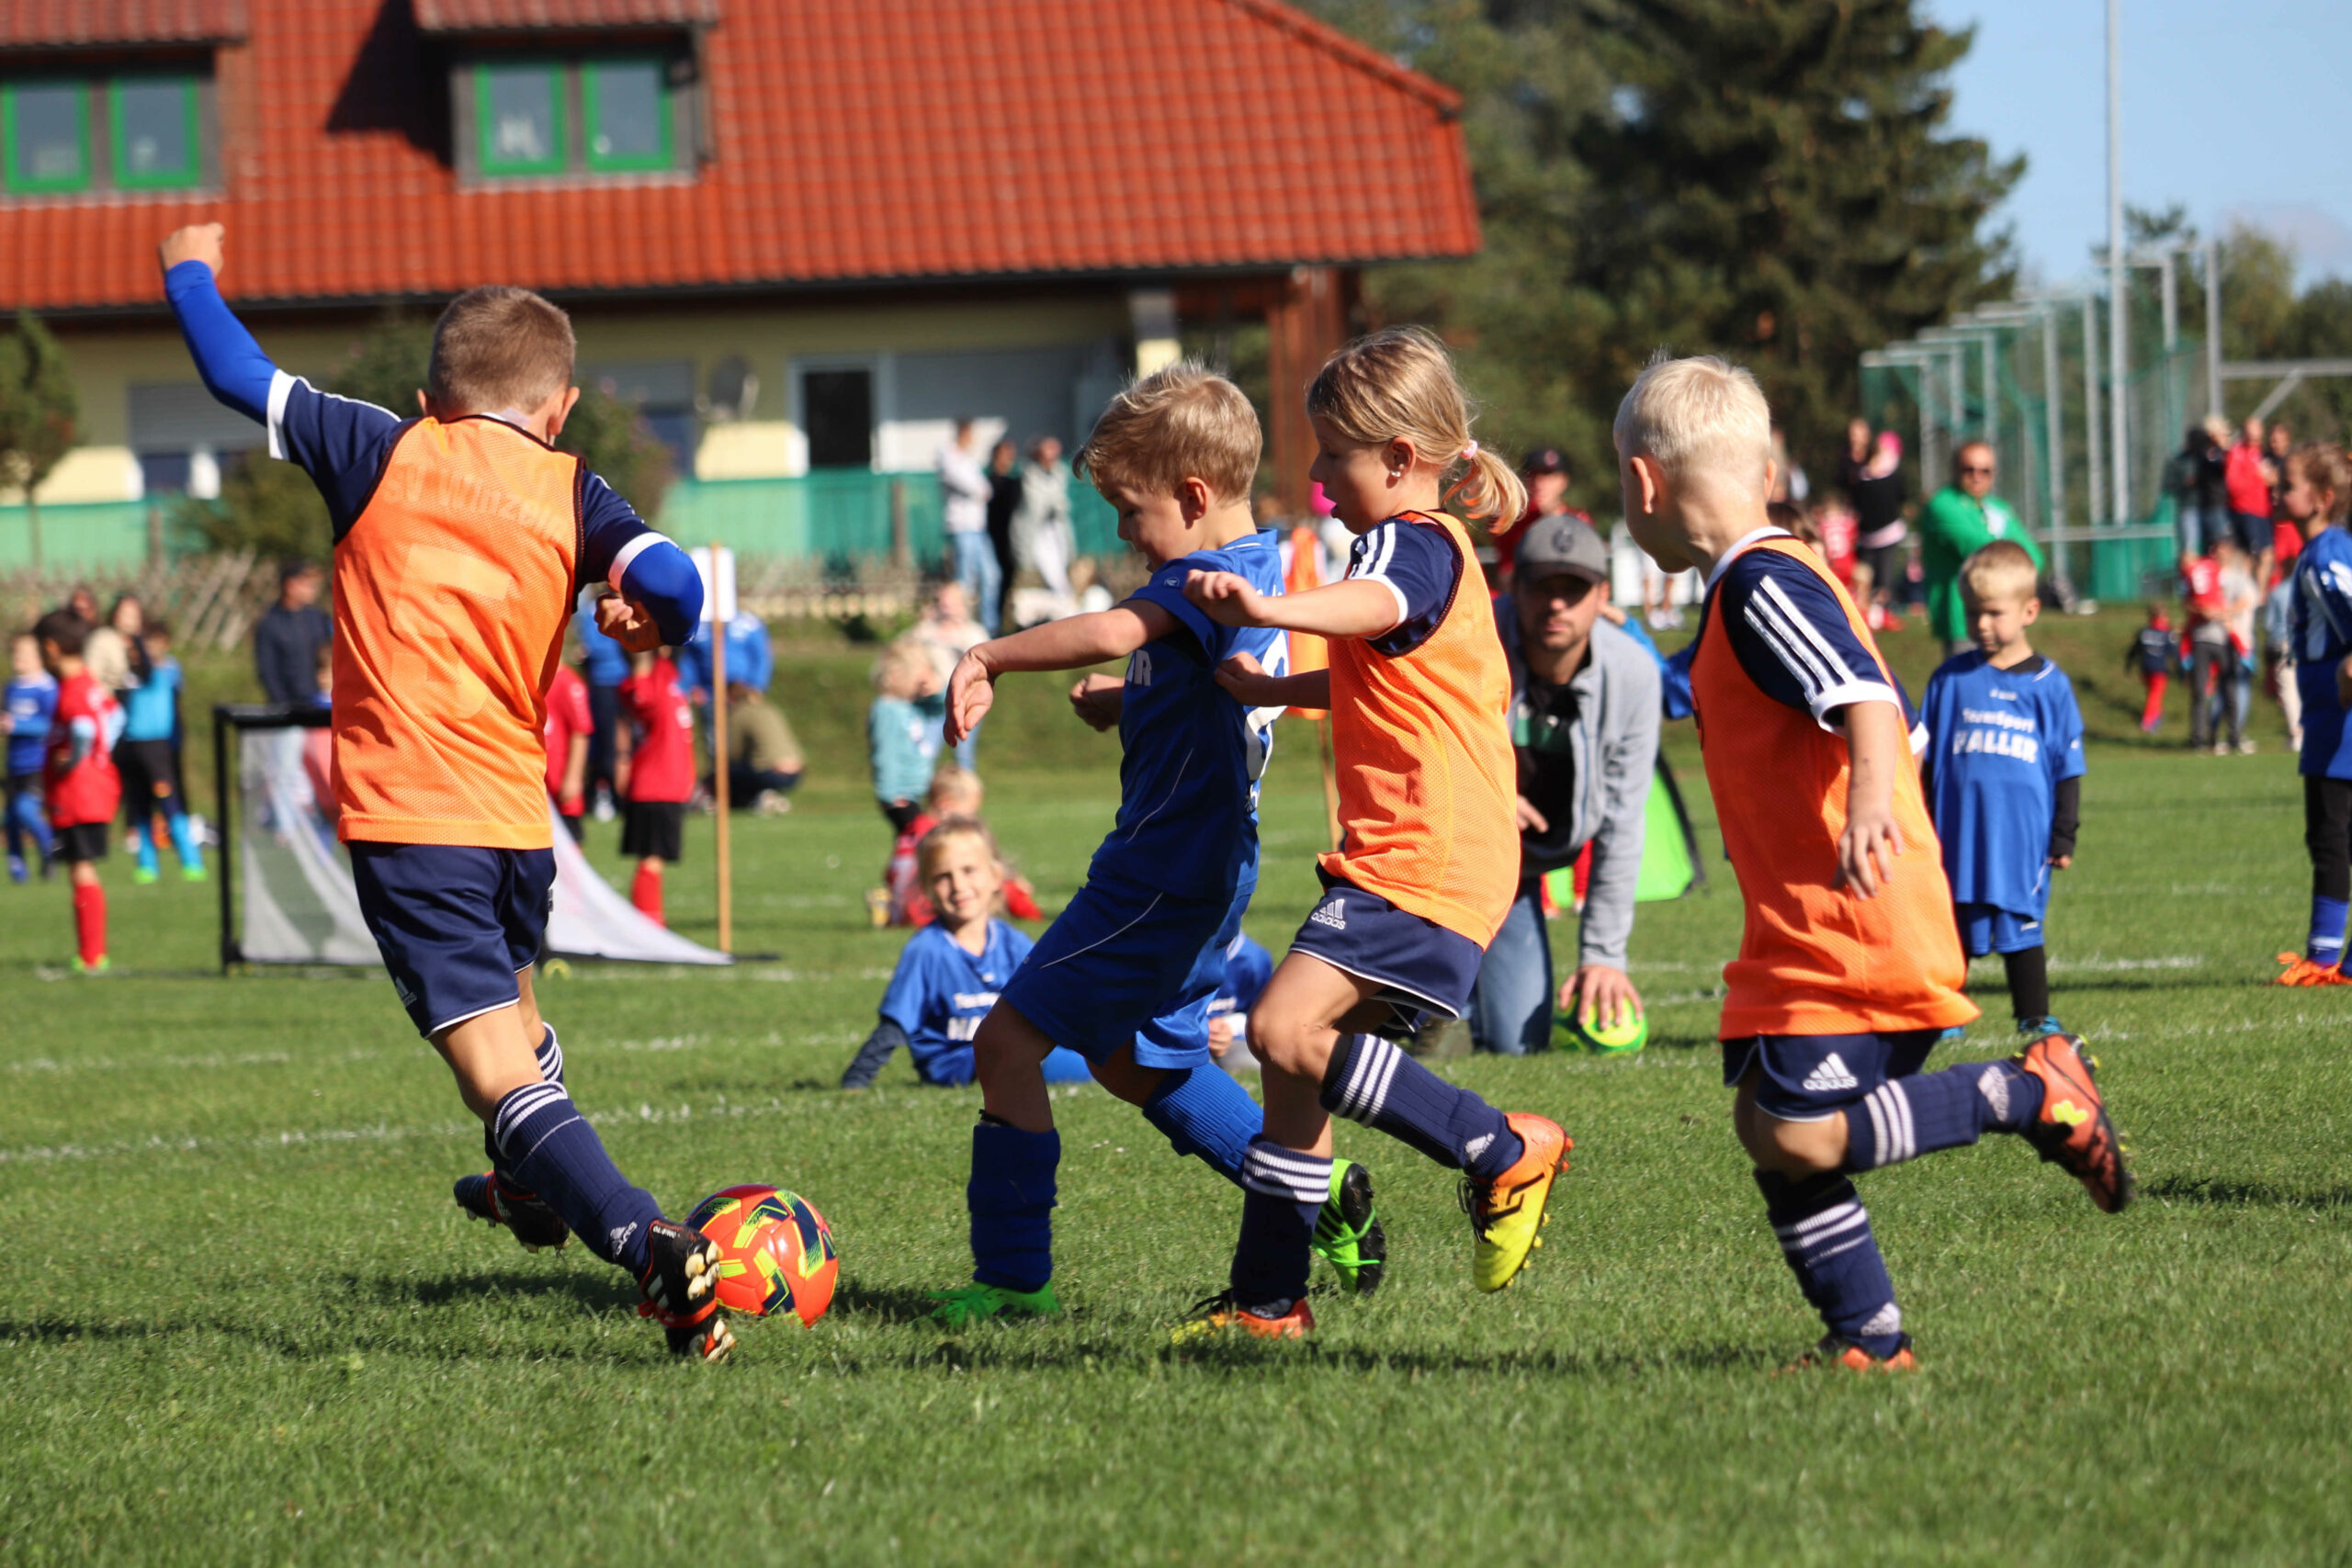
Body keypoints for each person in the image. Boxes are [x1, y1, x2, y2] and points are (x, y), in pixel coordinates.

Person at [157, 222, 735, 1359]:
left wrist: (186, 266)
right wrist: (644, 618)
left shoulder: (378, 445)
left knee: (495, 1072)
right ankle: (525, 1191)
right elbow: (674, 580)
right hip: (519, 824)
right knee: (521, 1024)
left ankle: (648, 1243)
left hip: (412, 819)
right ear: (560, 408)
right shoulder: (573, 487)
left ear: (432, 398)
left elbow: (231, 371)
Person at [1615, 355, 2129, 1371]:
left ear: (1644, 484)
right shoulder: (1757, 586)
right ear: (1766, 472)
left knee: (1801, 1134)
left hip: (1855, 920)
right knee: (1766, 1125)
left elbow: (1862, 694)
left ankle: (2031, 1094)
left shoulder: (1761, 583)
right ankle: (1867, 1338)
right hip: (1804, 928)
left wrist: (1865, 809)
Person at [929, 362, 1386, 1328]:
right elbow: (1210, 687)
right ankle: (1316, 1191)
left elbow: (1113, 627)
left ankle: (1013, 1281)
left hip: (1158, 873)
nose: (1125, 536)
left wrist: (988, 653)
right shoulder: (1254, 571)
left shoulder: (1200, 582)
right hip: (1200, 870)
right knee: (1137, 1061)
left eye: (1131, 513)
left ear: (1192, 495)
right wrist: (1130, 699)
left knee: (1006, 1043)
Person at [1179, 327, 1569, 1337]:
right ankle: (1269, 1303)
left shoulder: (1411, 542)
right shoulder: (1432, 552)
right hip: (1425, 855)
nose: (1316, 477)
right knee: (1293, 1076)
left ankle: (1500, 1149)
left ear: (1398, 458)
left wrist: (1270, 607)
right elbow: (1383, 671)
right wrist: (1275, 687)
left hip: (1421, 856)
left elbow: (1374, 602)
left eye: (1331, 454)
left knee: (1281, 1031)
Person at [1466, 513, 1658, 1055]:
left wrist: (1603, 956)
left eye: (1572, 590)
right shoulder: (1467, 645)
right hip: (1457, 856)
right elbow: (1410, 751)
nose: (1556, 605)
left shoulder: (1634, 674)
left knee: (1517, 1044)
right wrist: (1488, 796)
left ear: (1602, 596)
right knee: (1417, 1021)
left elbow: (1621, 824)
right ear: (1512, 586)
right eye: (1541, 587)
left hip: (1528, 869)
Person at [1921, 541, 2086, 1039]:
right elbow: (1922, 759)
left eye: (1994, 613)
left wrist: (2063, 834)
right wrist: (1919, 822)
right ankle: (1948, 1011)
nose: (1981, 624)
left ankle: (2033, 1013)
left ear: (2029, 611)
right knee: (1953, 917)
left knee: (2021, 917)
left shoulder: (2050, 685)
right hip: (1957, 830)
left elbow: (2067, 765)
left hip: (2022, 835)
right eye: (1972, 613)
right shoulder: (1949, 680)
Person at [838, 818, 1091, 1089]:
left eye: (969, 870)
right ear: (926, 888)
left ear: (996, 876)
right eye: (942, 877)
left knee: (1089, 1055)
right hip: (954, 1063)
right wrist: (857, 1079)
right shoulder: (927, 949)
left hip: (1007, 1050)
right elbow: (896, 1021)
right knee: (1039, 1058)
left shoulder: (1012, 942)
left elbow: (1052, 999)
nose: (958, 886)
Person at [2273, 444, 2352, 986]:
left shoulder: (2325, 556)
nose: (2277, 492)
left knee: (2329, 835)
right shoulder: (2327, 548)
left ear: (2321, 498)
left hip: (2338, 720)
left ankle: (2322, 961)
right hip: (2329, 714)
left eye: (2288, 485)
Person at [34, 610, 120, 972]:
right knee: (80, 869)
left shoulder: (73, 689)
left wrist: (74, 759)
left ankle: (91, 955)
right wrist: (102, 753)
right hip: (91, 792)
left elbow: (83, 727)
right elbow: (115, 716)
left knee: (81, 870)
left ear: (51, 648)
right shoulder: (89, 684)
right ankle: (90, 952)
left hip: (79, 795)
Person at [1920, 441, 2042, 658]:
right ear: (1955, 469)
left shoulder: (1998, 508)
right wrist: (2011, 553)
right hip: (1964, 619)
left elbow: (2033, 557)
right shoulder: (1941, 505)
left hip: (2006, 619)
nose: (1977, 476)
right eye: (1969, 469)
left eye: (1985, 471)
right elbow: (1979, 550)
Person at [116, 617, 206, 882]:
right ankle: (147, 865)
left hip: (157, 749)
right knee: (140, 807)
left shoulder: (165, 670)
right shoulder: (129, 677)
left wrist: (135, 637)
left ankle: (191, 860)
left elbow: (149, 668)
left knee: (169, 803)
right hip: (133, 747)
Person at [616, 646, 694, 927]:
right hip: (656, 786)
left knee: (654, 859)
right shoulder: (643, 686)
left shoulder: (665, 677)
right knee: (651, 859)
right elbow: (641, 694)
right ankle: (648, 924)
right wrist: (641, 654)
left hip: (668, 786)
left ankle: (648, 921)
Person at [868, 637, 946, 834]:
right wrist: (890, 793)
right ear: (897, 676)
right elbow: (885, 753)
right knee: (917, 842)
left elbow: (941, 707)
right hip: (900, 796)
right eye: (917, 680)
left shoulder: (912, 706)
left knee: (919, 843)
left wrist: (935, 689)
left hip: (917, 793)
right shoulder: (887, 709)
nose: (920, 686)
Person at [1839, 423, 1907, 626]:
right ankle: (1867, 612)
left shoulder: (1889, 477)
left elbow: (1900, 497)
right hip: (1867, 536)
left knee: (1885, 578)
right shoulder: (1857, 476)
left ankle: (1885, 615)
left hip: (1888, 533)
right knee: (1865, 577)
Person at [6, 629, 59, 882]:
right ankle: (18, 871)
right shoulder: (11, 688)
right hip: (14, 764)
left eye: (24, 653)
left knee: (25, 810)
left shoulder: (47, 688)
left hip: (37, 763)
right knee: (11, 819)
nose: (18, 657)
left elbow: (51, 725)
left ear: (39, 657)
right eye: (15, 652)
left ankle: (51, 848)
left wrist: (17, 725)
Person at [939, 419, 1000, 636]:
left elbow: (985, 488)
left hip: (978, 527)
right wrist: (980, 490)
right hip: (961, 527)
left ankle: (989, 629)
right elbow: (972, 486)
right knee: (965, 581)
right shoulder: (948, 456)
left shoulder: (968, 459)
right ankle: (961, 626)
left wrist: (981, 490)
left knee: (991, 576)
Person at [574, 589, 630, 821]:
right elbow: (594, 645)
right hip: (602, 684)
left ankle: (625, 794)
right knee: (604, 741)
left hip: (625, 682)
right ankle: (604, 792)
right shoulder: (590, 611)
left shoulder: (626, 606)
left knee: (626, 743)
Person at [253, 559, 332, 706]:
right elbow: (268, 671)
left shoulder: (318, 618)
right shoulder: (270, 624)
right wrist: (282, 705)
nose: (313, 590)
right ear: (291, 585)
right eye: (308, 585)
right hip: (288, 707)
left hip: (320, 704)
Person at [718, 682, 803, 816]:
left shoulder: (739, 713)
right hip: (796, 772)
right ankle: (770, 797)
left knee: (729, 772)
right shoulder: (770, 708)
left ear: (730, 697)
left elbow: (733, 753)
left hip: (770, 772)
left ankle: (755, 800)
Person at [1014, 434, 1077, 614]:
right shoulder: (1029, 475)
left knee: (1061, 567)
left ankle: (1064, 606)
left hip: (1055, 528)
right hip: (1038, 532)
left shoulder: (1060, 473)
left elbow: (1060, 502)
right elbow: (1035, 506)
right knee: (1049, 570)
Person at [2181, 541, 2231, 753]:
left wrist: (2224, 613)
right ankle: (2199, 738)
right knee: (2200, 690)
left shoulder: (2228, 574)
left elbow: (2242, 602)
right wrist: (2203, 609)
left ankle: (2231, 736)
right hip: (2202, 638)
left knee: (2229, 689)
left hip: (2225, 638)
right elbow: (2189, 603)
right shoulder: (2199, 574)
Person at [2215, 536, 2261, 755]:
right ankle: (2229, 734)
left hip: (2239, 639)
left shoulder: (2239, 579)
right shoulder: (2236, 578)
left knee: (2229, 688)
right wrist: (2227, 615)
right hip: (2235, 640)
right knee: (2234, 689)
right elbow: (2244, 602)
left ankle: (2223, 733)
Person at [1207, 931, 1275, 1078]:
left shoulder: (1254, 958)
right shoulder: (1173, 954)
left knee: (1259, 1064)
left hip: (1232, 1040)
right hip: (1183, 1039)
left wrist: (1228, 1028)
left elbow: (1263, 1019)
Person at [543, 654, 592, 841]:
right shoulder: (530, 679)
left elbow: (580, 732)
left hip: (559, 777)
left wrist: (573, 777)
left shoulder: (569, 683)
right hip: (537, 777)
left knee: (568, 839)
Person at [2225, 415, 2277, 570]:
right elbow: (2233, 485)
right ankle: (2245, 585)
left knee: (2266, 555)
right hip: (2246, 510)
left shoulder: (2260, 453)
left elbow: (2271, 479)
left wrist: (2270, 477)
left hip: (2263, 511)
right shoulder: (2237, 453)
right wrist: (2255, 475)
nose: (2255, 440)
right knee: (2250, 555)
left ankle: (2258, 587)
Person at [985, 437, 1023, 633]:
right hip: (993, 539)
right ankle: (992, 625)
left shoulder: (1013, 483)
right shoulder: (989, 483)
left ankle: (999, 624)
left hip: (1009, 541)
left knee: (1006, 582)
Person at [2128, 605, 2177, 735]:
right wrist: (2181, 668)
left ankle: (2157, 715)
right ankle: (2147, 721)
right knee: (2155, 695)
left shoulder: (2144, 632)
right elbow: (2174, 652)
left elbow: (2134, 649)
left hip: (2145, 668)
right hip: (2159, 669)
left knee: (2152, 693)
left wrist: (2129, 664)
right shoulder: (2167, 633)